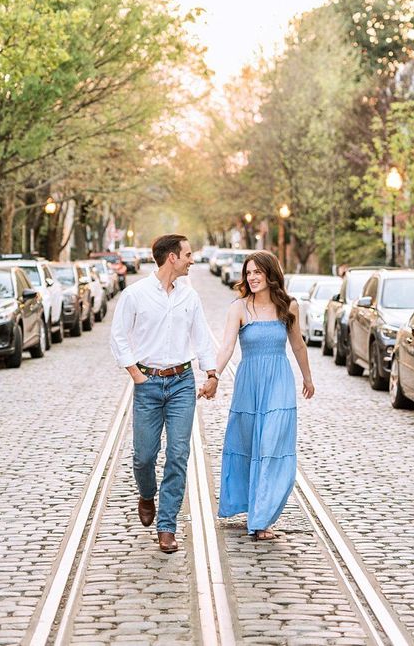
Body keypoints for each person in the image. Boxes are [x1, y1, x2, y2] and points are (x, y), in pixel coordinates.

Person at [110, 234, 218, 554]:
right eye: (187, 254)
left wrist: (211, 373)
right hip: (149, 384)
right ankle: (146, 493)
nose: (191, 260)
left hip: (182, 381)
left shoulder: (190, 296)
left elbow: (201, 336)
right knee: (144, 455)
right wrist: (135, 374)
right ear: (172, 257)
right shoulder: (135, 295)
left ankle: (167, 525)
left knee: (178, 453)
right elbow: (118, 337)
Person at [200, 250, 314, 540]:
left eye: (257, 272)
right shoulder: (238, 308)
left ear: (270, 274)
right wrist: (214, 375)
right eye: (248, 273)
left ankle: (262, 519)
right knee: (249, 445)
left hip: (278, 382)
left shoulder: (289, 306)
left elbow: (298, 345)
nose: (251, 278)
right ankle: (249, 506)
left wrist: (307, 377)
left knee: (271, 447)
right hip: (249, 384)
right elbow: (226, 346)